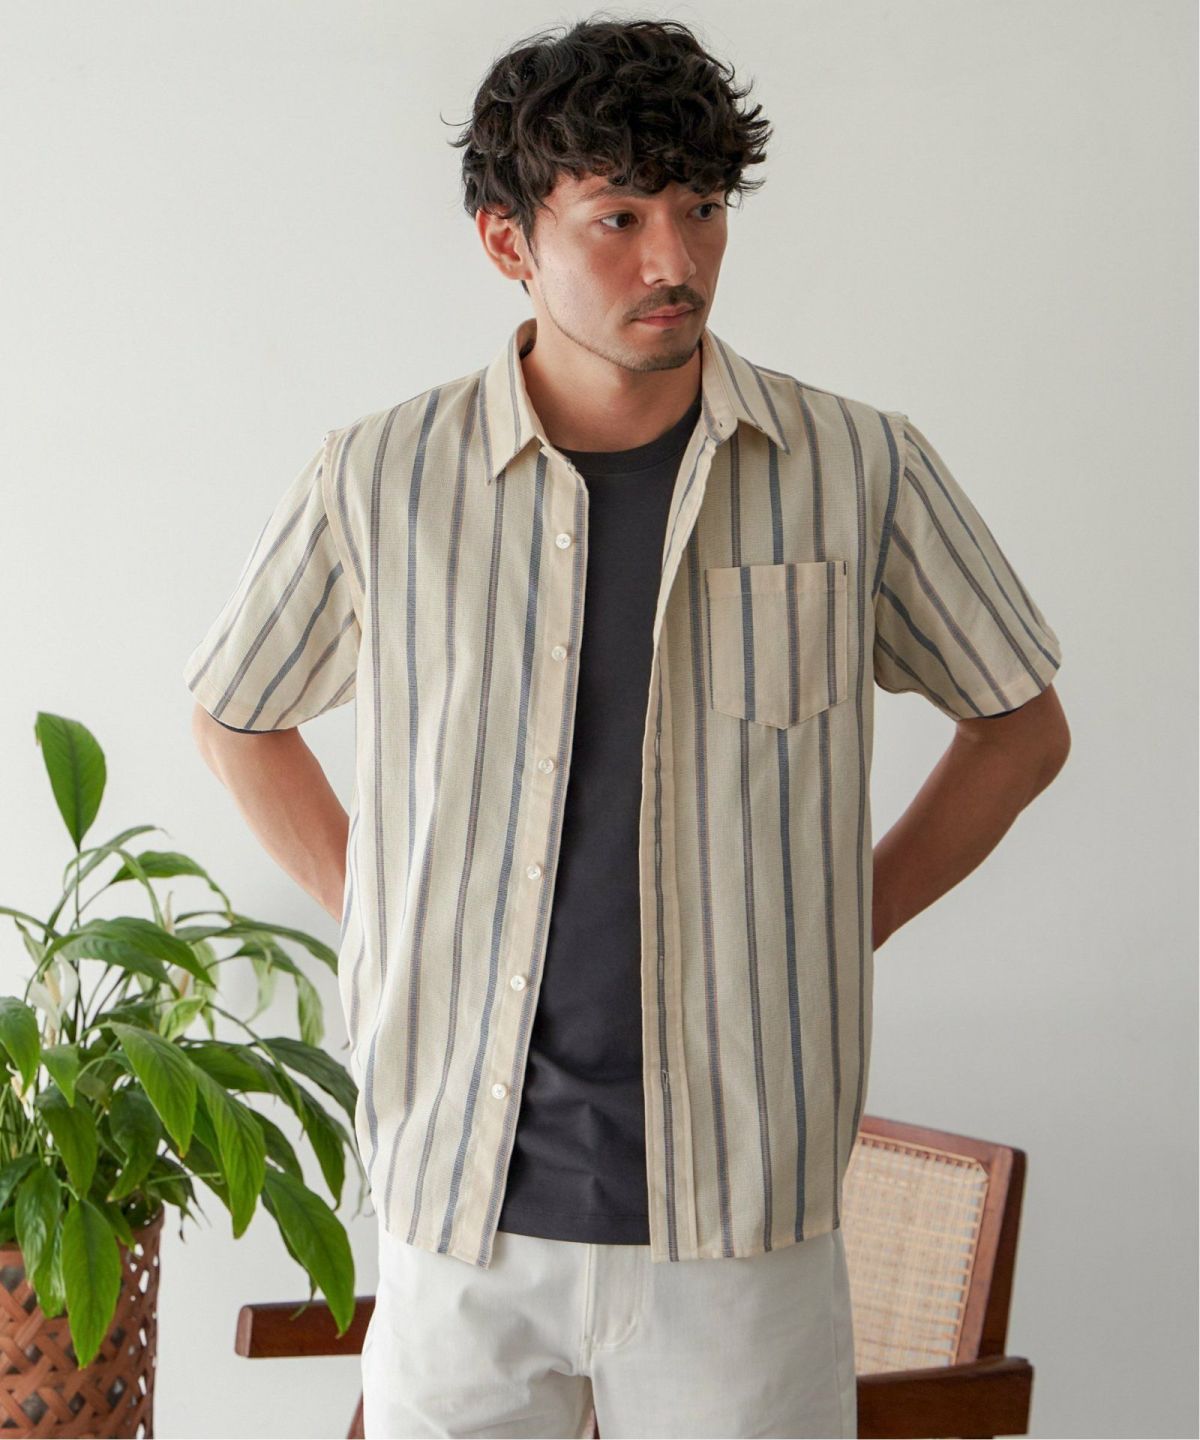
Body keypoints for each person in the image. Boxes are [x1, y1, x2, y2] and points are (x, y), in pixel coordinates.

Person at [183, 15, 1071, 1438]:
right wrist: (388, 910)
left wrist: (844, 916)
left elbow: (1020, 724)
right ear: (507, 241)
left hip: (742, 1222)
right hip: (461, 1213)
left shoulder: (858, 467)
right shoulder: (380, 477)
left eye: (702, 209)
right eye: (620, 217)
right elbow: (237, 714)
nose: (677, 259)